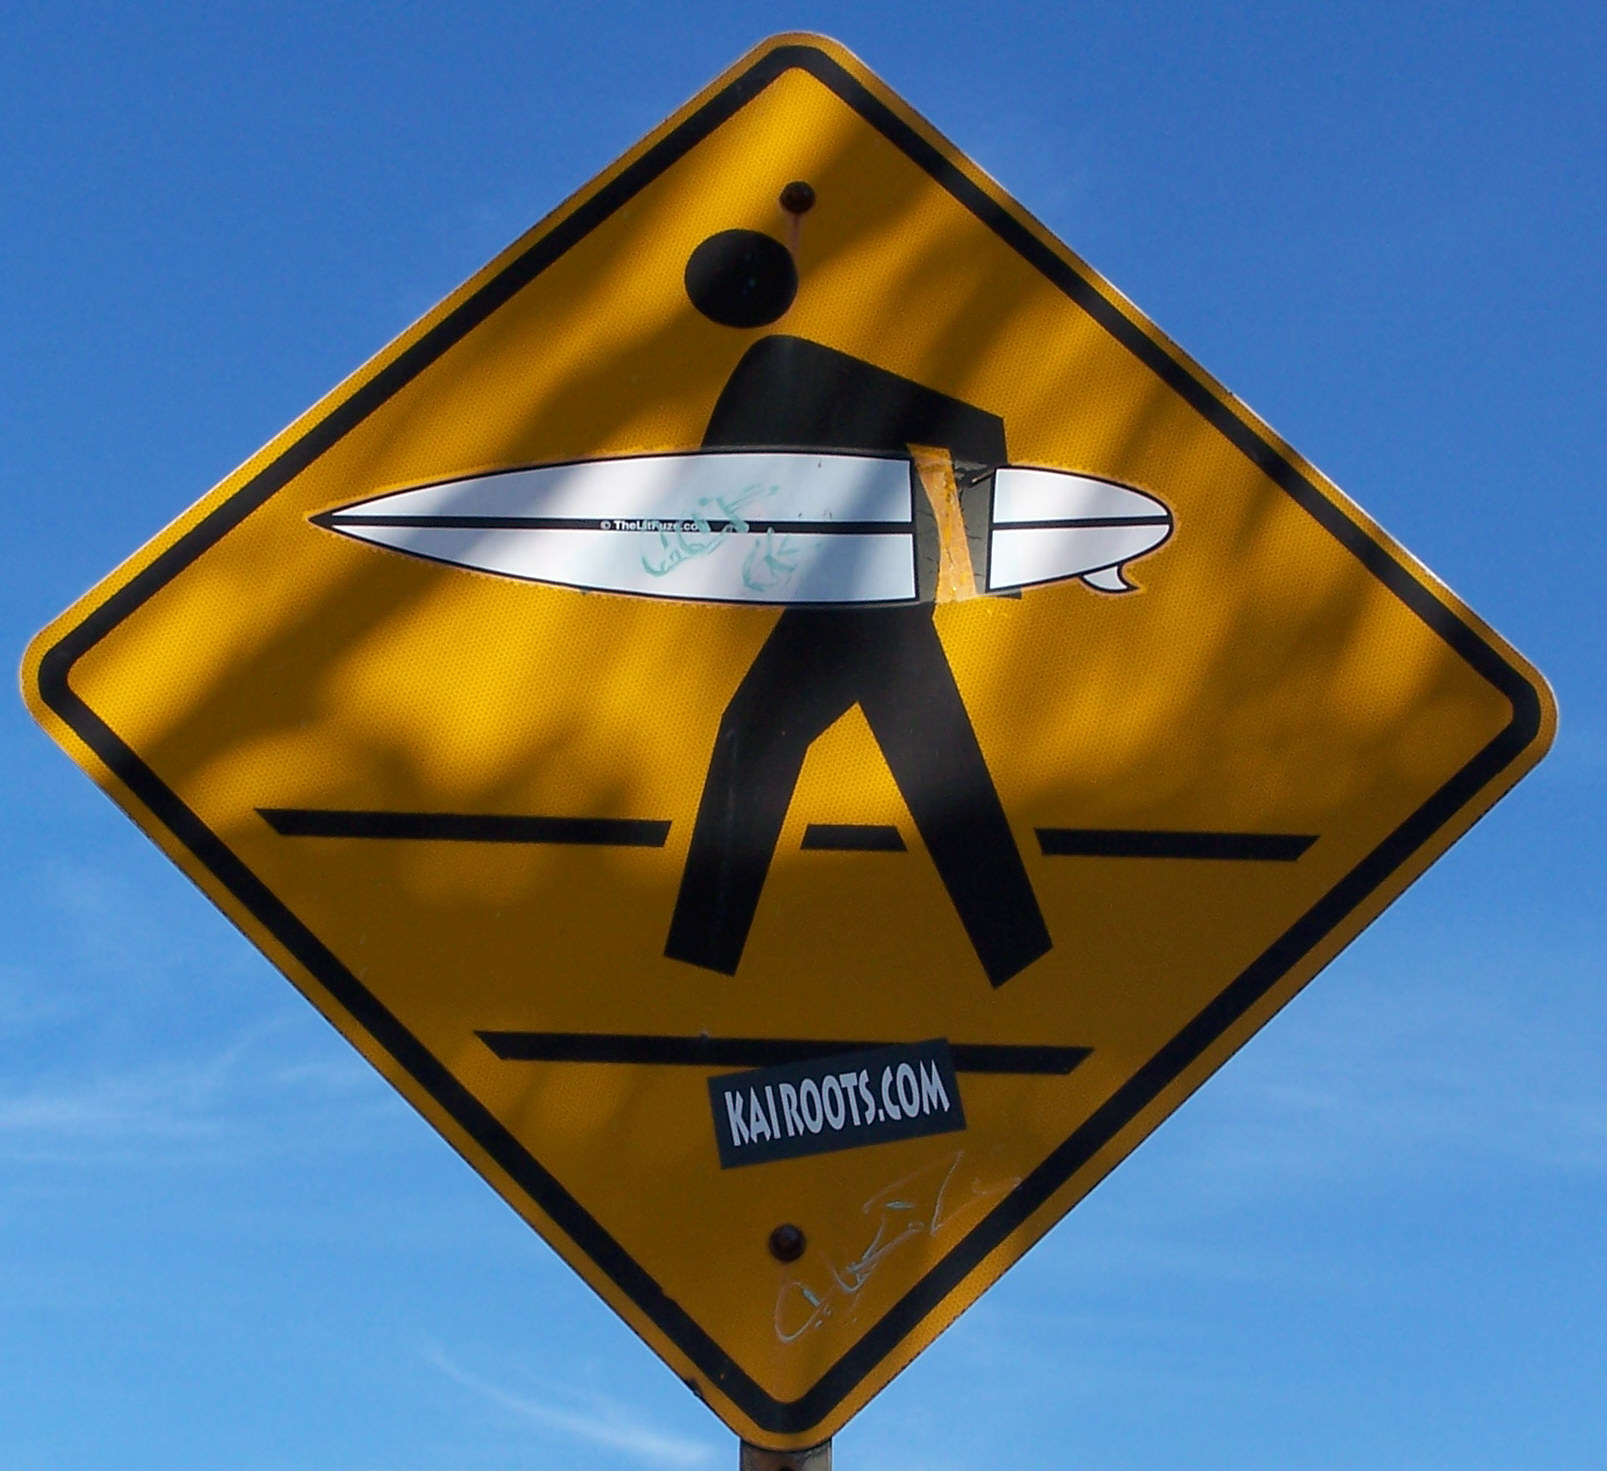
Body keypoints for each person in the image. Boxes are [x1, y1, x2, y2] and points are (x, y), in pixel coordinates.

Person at [664, 214, 1052, 988]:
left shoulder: (793, 370)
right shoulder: (764, 379)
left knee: (757, 733)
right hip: (842, 588)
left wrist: (976, 566)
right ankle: (1022, 958)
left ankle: (693, 972)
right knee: (916, 758)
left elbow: (983, 430)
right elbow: (712, 501)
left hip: (880, 593)